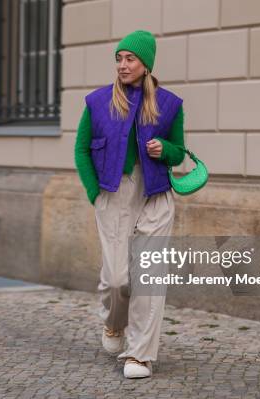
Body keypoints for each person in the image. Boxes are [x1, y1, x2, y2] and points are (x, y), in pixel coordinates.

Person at [74, 30, 186, 379]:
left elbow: (179, 151)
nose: (122, 65)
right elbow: (80, 150)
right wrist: (96, 192)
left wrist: (164, 151)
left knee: (148, 276)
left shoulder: (170, 104)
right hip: (114, 194)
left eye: (130, 59)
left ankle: (140, 355)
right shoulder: (97, 102)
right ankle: (113, 325)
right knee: (117, 279)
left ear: (145, 64)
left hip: (155, 195)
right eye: (119, 58)